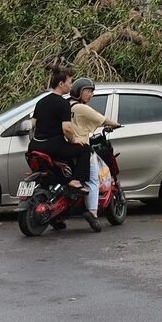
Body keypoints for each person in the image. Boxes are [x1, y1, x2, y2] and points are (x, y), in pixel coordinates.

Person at [29, 65, 97, 231]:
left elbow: (33, 124)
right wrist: (74, 141)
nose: (71, 86)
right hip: (53, 146)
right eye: (69, 82)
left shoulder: (41, 101)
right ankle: (75, 181)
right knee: (84, 150)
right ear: (61, 83)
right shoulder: (63, 103)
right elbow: (66, 128)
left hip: (35, 146)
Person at [65, 79, 121, 224]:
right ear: (78, 91)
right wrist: (116, 125)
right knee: (93, 179)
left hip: (65, 147)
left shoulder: (66, 105)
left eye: (91, 92)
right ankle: (93, 214)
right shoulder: (81, 108)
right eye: (87, 91)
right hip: (80, 146)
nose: (90, 95)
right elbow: (102, 119)